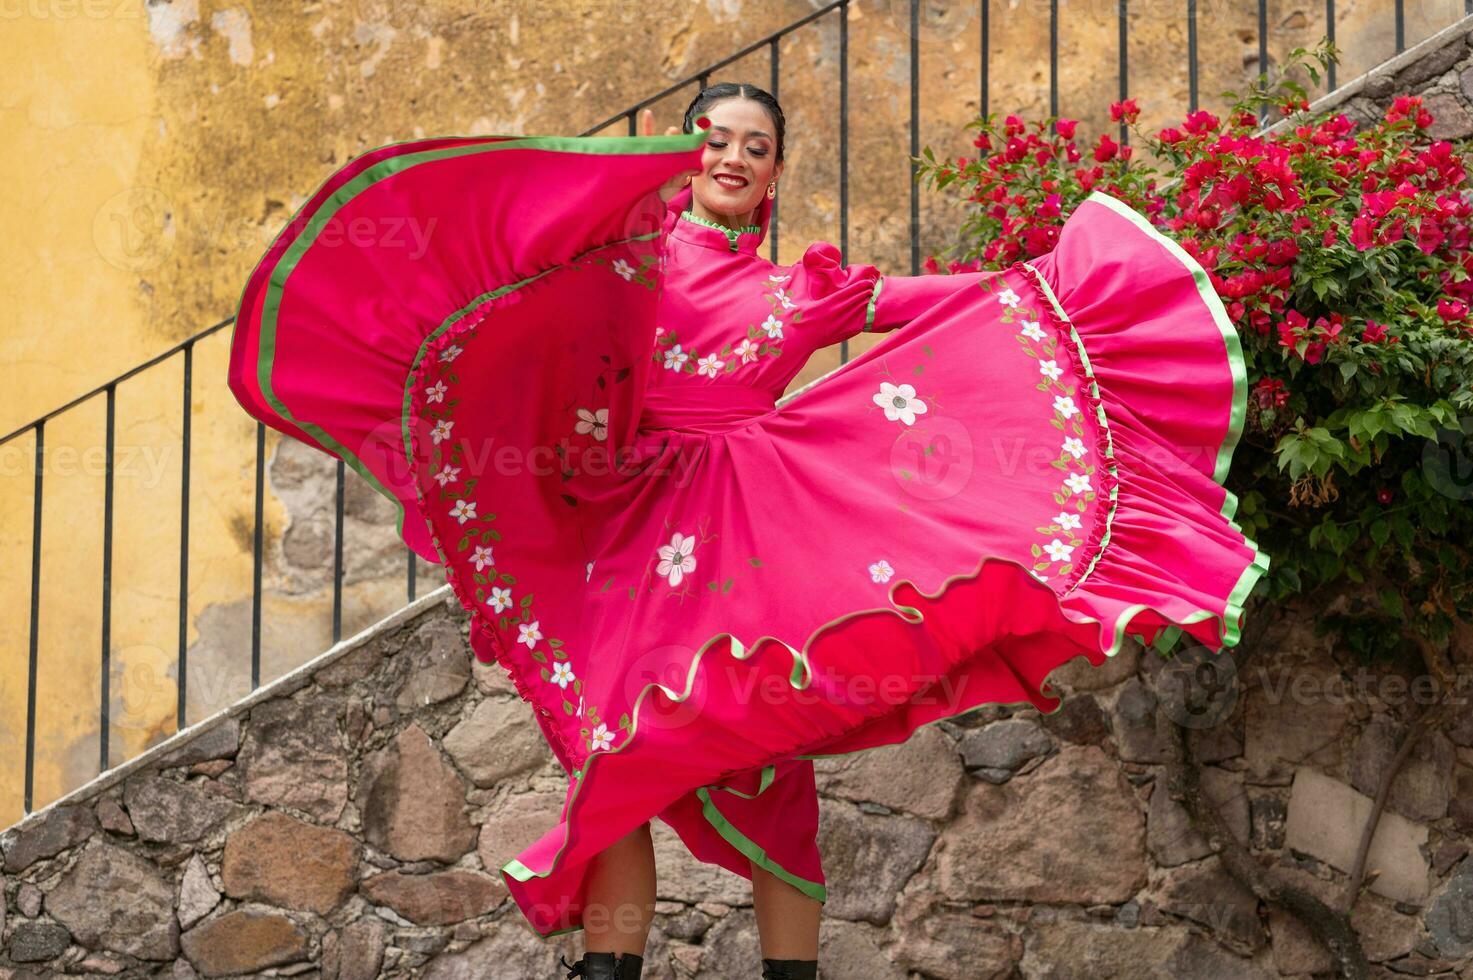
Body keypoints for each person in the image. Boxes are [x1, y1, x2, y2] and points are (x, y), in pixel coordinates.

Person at [227, 82, 1269, 980]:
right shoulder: (617, 258)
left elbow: (914, 302)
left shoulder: (795, 292)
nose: (733, 156)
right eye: (716, 139)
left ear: (772, 178)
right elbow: (533, 315)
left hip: (743, 546)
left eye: (756, 148)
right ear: (687, 160)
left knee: (775, 782)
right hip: (620, 540)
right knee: (612, 756)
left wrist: (1040, 288)